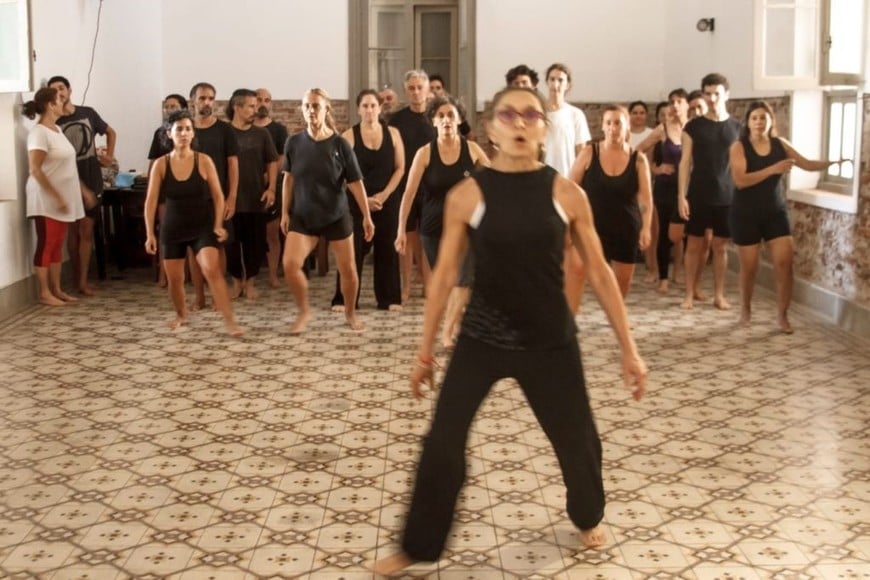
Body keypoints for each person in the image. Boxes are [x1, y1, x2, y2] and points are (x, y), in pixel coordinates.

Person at [373, 86, 647, 576]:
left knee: (578, 441)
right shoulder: (468, 194)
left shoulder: (566, 193)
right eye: (509, 114)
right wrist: (424, 352)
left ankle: (587, 516)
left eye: (530, 115)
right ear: (493, 127)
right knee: (442, 440)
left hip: (550, 339)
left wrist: (630, 349)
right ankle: (417, 545)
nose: (520, 123)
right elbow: (442, 280)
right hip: (482, 335)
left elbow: (600, 272)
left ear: (544, 127)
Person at [730, 101, 841, 333]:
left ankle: (782, 315)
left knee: (784, 263)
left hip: (775, 212)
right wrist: (773, 169)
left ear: (771, 121)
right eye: (755, 118)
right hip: (746, 214)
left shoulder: (780, 144)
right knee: (749, 268)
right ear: (748, 123)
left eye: (763, 117)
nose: (759, 122)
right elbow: (741, 181)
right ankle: (745, 310)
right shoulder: (739, 147)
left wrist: (834, 163)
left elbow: (807, 164)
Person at [395, 95, 489, 346]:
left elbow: (495, 183)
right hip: (433, 228)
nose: (446, 119)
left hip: (467, 227)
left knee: (464, 278)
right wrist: (401, 230)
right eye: (441, 116)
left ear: (459, 120)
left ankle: (449, 331)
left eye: (451, 115)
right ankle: (456, 323)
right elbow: (409, 193)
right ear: (434, 121)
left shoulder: (473, 150)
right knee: (448, 280)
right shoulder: (425, 153)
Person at [280, 88, 375, 333]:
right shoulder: (293, 142)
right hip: (303, 215)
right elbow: (288, 179)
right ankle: (303, 311)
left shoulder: (340, 144)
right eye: (307, 106)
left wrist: (366, 216)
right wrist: (284, 213)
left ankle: (350, 313)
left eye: (316, 106)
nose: (311, 110)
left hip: (336, 215)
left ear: (326, 109)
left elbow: (355, 182)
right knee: (290, 264)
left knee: (349, 271)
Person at [143, 110, 242, 337]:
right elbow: (150, 202)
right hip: (173, 228)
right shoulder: (160, 164)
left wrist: (218, 225)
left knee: (211, 269)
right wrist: (150, 233)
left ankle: (230, 321)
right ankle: (181, 314)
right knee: (175, 279)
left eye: (188, 129)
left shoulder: (204, 160)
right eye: (179, 129)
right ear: (169, 134)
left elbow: (218, 196)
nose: (185, 133)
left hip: (202, 226)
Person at [332, 89, 405, 311]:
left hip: (387, 201)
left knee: (387, 251)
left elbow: (400, 168)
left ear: (380, 108)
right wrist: (365, 201)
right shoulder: (348, 136)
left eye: (373, 105)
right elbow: (340, 175)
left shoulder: (393, 133)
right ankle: (344, 299)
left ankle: (389, 298)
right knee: (352, 251)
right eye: (365, 106)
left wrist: (383, 196)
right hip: (355, 203)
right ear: (358, 109)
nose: (369, 110)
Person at [569, 105, 652, 297]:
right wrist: (570, 222)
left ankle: (617, 318)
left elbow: (645, 197)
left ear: (627, 127)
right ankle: (570, 317)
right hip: (591, 226)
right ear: (602, 126)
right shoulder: (589, 153)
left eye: (618, 123)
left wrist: (646, 227)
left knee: (621, 282)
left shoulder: (638, 159)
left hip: (626, 228)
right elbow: (571, 187)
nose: (613, 128)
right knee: (577, 272)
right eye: (609, 123)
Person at [48, 75, 116, 296]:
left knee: (86, 230)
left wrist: (109, 156)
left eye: (61, 88)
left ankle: (83, 281)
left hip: (92, 177)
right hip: (68, 182)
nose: (59, 93)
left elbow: (110, 131)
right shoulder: (54, 123)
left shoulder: (87, 112)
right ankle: (77, 278)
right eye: (53, 90)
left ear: (69, 90)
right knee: (73, 233)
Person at [678, 73, 741, 310]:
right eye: (708, 93)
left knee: (720, 246)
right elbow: (684, 163)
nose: (712, 98)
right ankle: (688, 294)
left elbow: (741, 164)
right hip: (698, 193)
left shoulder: (737, 128)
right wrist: (681, 196)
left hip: (727, 195)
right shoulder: (693, 126)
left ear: (726, 94)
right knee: (693, 244)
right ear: (703, 94)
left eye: (717, 93)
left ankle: (719, 294)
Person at [23, 87, 87, 306]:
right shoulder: (38, 132)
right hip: (44, 198)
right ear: (50, 104)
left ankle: (57, 289)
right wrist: (55, 196)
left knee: (57, 244)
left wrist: (78, 192)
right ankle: (44, 292)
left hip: (62, 198)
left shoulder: (57, 130)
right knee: (47, 243)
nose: (64, 102)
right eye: (60, 99)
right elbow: (35, 169)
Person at [543, 63, 591, 314]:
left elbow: (582, 152)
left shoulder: (575, 115)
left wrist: (578, 185)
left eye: (560, 79)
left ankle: (566, 294)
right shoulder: (537, 114)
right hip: (541, 185)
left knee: (568, 242)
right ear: (546, 82)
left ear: (567, 84)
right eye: (551, 79)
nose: (555, 84)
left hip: (567, 184)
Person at [188, 81, 240, 309]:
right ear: (193, 101)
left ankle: (219, 295)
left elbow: (233, 165)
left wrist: (232, 197)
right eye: (202, 98)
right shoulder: (185, 129)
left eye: (210, 98)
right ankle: (199, 297)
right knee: (193, 249)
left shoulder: (224, 130)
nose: (207, 102)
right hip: (190, 200)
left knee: (219, 246)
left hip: (218, 199)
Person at [226, 89, 279, 300]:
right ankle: (236, 282)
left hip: (256, 197)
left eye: (256, 106)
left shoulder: (262, 133)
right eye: (250, 106)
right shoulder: (225, 132)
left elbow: (272, 161)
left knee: (254, 243)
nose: (255, 110)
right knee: (231, 244)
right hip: (230, 200)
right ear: (236, 107)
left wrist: (272, 188)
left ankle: (250, 283)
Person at [637, 89, 690, 293]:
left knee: (680, 235)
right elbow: (639, 149)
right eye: (672, 102)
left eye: (679, 101)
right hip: (665, 188)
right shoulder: (663, 129)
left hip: (686, 188)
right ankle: (663, 278)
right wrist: (655, 169)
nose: (675, 105)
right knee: (664, 234)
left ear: (687, 105)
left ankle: (683, 273)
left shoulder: (694, 128)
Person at [389, 70, 436, 303]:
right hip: (404, 187)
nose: (416, 92)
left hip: (432, 189)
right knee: (405, 238)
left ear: (427, 90)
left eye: (420, 87)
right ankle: (405, 286)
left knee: (427, 238)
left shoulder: (437, 117)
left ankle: (428, 285)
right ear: (406, 91)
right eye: (412, 88)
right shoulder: (396, 120)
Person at [147, 93, 189, 288]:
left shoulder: (189, 131)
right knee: (166, 231)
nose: (169, 109)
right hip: (166, 189)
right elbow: (153, 161)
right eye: (167, 106)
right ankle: (165, 275)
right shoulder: (159, 133)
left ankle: (189, 275)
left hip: (189, 189)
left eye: (173, 106)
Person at [254, 88, 290, 288]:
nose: (262, 103)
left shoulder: (278, 130)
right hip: (248, 187)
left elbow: (282, 159)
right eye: (259, 99)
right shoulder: (246, 128)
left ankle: (273, 275)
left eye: (266, 100)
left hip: (272, 185)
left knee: (272, 233)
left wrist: (267, 176)